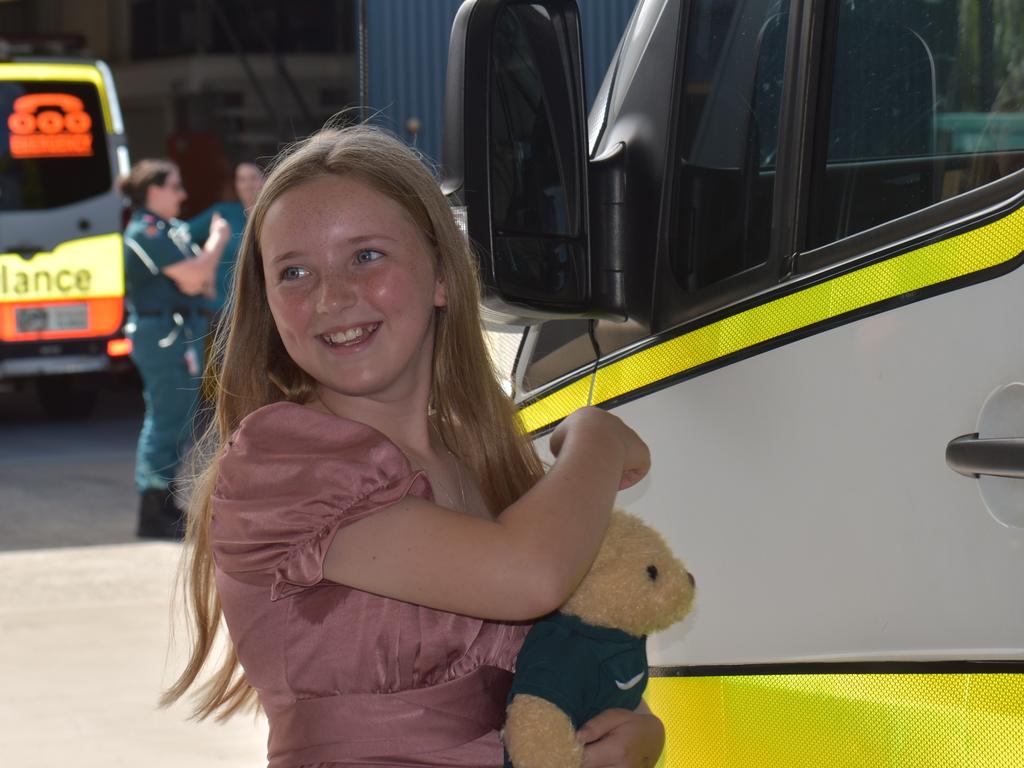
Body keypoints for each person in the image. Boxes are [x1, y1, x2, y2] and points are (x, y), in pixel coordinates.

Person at [163, 126, 663, 767]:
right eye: (294, 272)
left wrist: (637, 733)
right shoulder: (279, 466)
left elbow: (567, 657)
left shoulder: (480, 466)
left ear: (442, 278)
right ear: (269, 306)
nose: (331, 296)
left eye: (366, 256)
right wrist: (596, 434)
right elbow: (529, 577)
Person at [120, 159, 230, 539]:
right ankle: (152, 510)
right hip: (161, 334)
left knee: (180, 420)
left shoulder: (172, 231)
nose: (182, 195)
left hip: (181, 330)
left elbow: (206, 286)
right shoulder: (146, 231)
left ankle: (165, 503)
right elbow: (195, 277)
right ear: (154, 191)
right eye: (175, 186)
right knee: (166, 419)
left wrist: (201, 268)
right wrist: (215, 244)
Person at [188, 161, 265, 313]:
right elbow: (179, 236)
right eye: (241, 179)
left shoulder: (277, 216)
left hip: (263, 308)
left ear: (267, 179)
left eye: (253, 178)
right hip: (222, 309)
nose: (247, 185)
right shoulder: (223, 213)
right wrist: (202, 267)